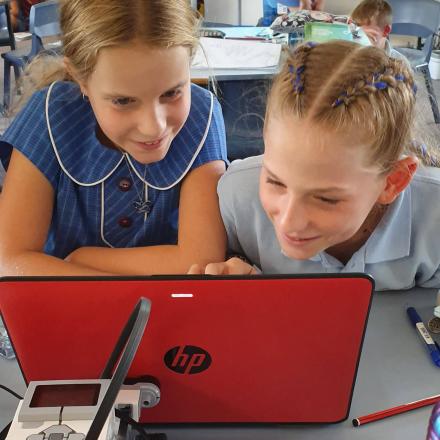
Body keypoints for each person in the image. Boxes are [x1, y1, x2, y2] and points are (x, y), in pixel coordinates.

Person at [189, 40, 440, 291]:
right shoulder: (236, 199)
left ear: (393, 181)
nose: (289, 223)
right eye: (275, 182)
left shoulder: (434, 218)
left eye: (326, 199)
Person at [0, 0, 228, 276]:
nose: (153, 127)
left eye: (171, 93)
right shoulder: (49, 116)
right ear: (80, 79)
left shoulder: (202, 118)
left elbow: (199, 260)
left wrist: (80, 260)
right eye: (123, 100)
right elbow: (9, 261)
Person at [350, 0, 408, 66]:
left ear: (386, 30)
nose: (358, 43)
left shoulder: (400, 64)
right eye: (355, 35)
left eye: (368, 37)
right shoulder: (349, 58)